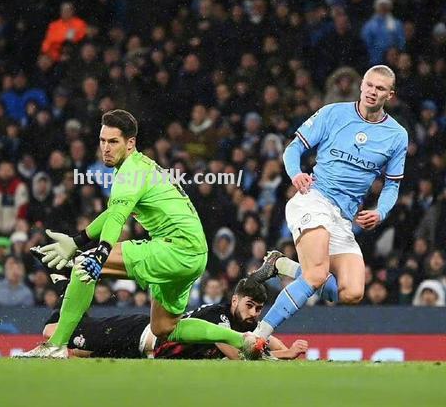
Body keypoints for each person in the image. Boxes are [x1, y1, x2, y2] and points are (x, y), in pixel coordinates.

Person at [18, 109, 266, 359]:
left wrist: (99, 253)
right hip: (194, 255)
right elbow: (113, 211)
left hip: (175, 249)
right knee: (164, 327)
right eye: (102, 140)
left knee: (85, 263)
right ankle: (242, 340)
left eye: (113, 141)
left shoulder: (130, 172)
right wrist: (77, 240)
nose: (105, 147)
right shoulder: (138, 167)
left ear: (130, 143)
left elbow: (117, 218)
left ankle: (56, 345)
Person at [249, 65, 408, 340]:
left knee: (352, 292)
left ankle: (283, 267)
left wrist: (380, 212)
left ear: (390, 95)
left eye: (380, 88)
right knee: (317, 274)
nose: (372, 91)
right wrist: (296, 173)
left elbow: (393, 184)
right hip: (314, 199)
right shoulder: (333, 113)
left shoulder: (397, 135)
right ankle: (257, 336)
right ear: (362, 85)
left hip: (343, 218)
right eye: (369, 85)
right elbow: (293, 149)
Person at [38, 278, 307, 360]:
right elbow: (240, 356)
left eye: (259, 309)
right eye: (250, 306)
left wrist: (287, 351)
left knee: (77, 356)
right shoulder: (220, 318)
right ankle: (66, 281)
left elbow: (267, 340)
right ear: (235, 300)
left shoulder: (244, 324)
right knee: (52, 332)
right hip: (139, 334)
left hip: (144, 356)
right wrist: (287, 355)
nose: (253, 314)